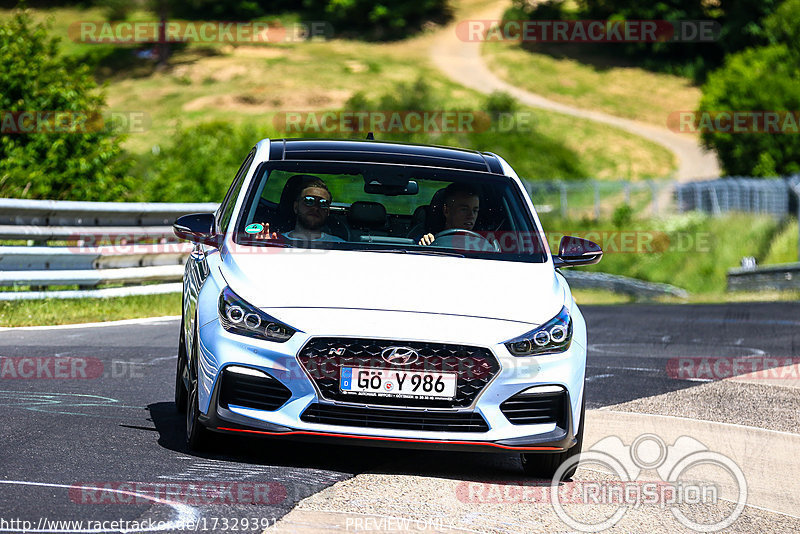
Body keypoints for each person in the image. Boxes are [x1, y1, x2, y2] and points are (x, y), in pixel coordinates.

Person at [254, 177, 344, 243]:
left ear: (328, 211)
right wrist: (263, 248)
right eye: (309, 200)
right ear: (296, 207)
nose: (316, 207)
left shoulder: (341, 245)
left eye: (323, 203)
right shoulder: (272, 240)